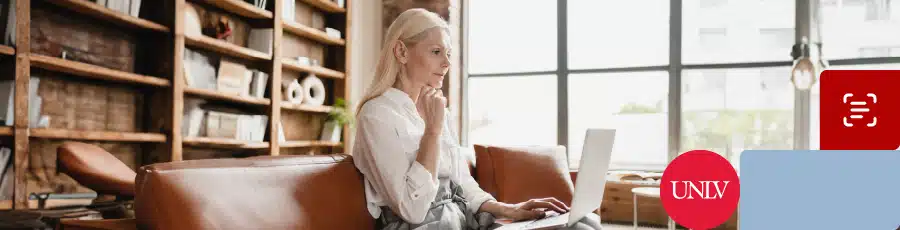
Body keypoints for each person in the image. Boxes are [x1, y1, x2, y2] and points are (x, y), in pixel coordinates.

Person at [353, 8, 597, 230]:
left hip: (462, 217)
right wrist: (432, 132)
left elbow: (462, 182)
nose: (447, 63)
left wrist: (509, 209)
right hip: (423, 225)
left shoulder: (438, 110)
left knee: (581, 224)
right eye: (436, 52)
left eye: (448, 54)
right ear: (402, 51)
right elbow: (413, 210)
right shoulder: (377, 115)